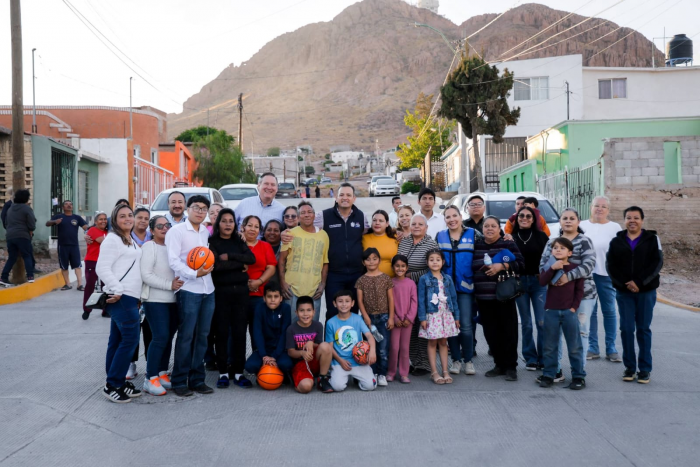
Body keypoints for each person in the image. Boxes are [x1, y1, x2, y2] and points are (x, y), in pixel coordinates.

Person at [283, 183, 369, 320]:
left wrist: (397, 232)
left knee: (353, 312)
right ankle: (330, 335)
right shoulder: (323, 216)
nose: (345, 198)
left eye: (348, 195)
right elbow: (305, 226)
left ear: (354, 198)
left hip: (356, 273)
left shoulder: (361, 217)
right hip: (334, 275)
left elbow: (370, 234)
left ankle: (352, 335)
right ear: (336, 197)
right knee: (333, 312)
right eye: (341, 195)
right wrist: (284, 232)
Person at [538, 208, 596, 383]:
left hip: (583, 294)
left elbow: (589, 265)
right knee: (554, 339)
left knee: (580, 334)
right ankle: (555, 370)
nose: (568, 221)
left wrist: (567, 277)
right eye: (565, 218)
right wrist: (553, 276)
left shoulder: (584, 241)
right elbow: (543, 267)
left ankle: (579, 372)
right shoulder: (552, 243)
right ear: (560, 221)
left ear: (578, 221)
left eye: (572, 218)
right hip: (557, 297)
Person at [166, 195, 216, 397]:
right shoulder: (176, 231)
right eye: (196, 207)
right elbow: (173, 261)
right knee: (186, 336)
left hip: (208, 290)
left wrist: (203, 273)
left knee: (202, 336)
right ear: (188, 209)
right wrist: (195, 273)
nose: (200, 211)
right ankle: (179, 381)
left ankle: (197, 380)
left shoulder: (204, 232)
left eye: (204, 208)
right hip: (189, 290)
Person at [607, 206, 662, 384]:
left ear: (642, 220)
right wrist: (626, 283)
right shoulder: (616, 241)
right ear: (624, 220)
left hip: (646, 292)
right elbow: (611, 266)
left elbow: (657, 264)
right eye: (629, 217)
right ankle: (630, 367)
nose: (632, 221)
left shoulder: (652, 239)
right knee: (626, 329)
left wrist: (639, 282)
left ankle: (644, 369)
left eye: (636, 218)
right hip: (624, 292)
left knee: (643, 329)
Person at [96, 204, 143, 403]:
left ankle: (117, 381)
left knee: (116, 341)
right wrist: (117, 289)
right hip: (120, 297)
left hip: (130, 297)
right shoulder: (113, 240)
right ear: (114, 220)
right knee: (130, 339)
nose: (127, 219)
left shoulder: (129, 239)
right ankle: (113, 384)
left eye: (130, 215)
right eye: (122, 216)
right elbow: (102, 268)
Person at [207, 208, 256, 389]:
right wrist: (239, 264)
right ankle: (223, 373)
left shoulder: (238, 240)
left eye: (231, 221)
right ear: (218, 223)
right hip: (221, 293)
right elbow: (216, 266)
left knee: (239, 333)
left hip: (241, 294)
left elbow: (251, 259)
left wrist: (230, 257)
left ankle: (238, 373)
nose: (228, 224)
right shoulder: (211, 242)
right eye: (224, 221)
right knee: (221, 333)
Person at [472, 216, 525, 381]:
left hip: (504, 297)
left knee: (508, 332)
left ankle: (511, 367)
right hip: (483, 297)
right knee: (491, 333)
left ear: (499, 228)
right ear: (482, 229)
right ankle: (499, 364)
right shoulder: (477, 245)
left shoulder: (508, 244)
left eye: (493, 226)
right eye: (486, 226)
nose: (489, 229)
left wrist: (502, 266)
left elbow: (521, 265)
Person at [140, 215, 184, 396]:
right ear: (151, 230)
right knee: (160, 337)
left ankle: (161, 372)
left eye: (167, 225)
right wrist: (169, 285)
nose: (164, 228)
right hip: (154, 300)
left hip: (174, 300)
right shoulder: (149, 247)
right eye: (159, 226)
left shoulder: (174, 247)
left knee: (168, 338)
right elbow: (146, 275)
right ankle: (150, 378)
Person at [538, 237, 586, 389]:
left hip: (569, 312)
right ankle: (549, 374)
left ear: (570, 253)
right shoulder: (549, 266)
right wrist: (553, 268)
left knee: (574, 345)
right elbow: (542, 282)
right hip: (551, 311)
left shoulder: (574, 268)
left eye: (562, 248)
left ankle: (578, 376)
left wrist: (573, 308)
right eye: (555, 248)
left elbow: (579, 290)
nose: (558, 250)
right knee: (550, 345)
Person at [436, 205, 478, 376]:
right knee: (451, 326)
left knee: (466, 326)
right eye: (448, 217)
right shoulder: (440, 236)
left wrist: (507, 237)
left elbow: (491, 244)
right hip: (446, 290)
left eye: (455, 216)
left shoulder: (474, 234)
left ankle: (468, 360)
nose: (452, 219)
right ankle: (455, 360)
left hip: (466, 288)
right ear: (444, 219)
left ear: (461, 217)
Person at [580, 196, 623, 362]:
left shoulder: (615, 228)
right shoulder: (582, 225)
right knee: (590, 311)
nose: (599, 209)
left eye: (603, 206)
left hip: (607, 276)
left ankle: (611, 348)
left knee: (609, 311)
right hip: (586, 275)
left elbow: (621, 252)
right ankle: (593, 348)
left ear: (608, 210)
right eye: (596, 205)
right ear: (591, 207)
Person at [397, 213, 438, 376]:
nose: (416, 227)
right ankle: (414, 361)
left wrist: (411, 275)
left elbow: (433, 268)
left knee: (422, 325)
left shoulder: (431, 244)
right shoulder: (404, 241)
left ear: (426, 227)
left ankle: (425, 364)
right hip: (404, 290)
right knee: (410, 326)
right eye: (414, 224)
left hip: (422, 290)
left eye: (420, 224)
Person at [512, 206, 550, 370]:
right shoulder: (512, 237)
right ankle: (530, 358)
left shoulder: (542, 236)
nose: (525, 218)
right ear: (517, 218)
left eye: (528, 216)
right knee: (526, 323)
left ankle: (544, 357)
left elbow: (550, 258)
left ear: (534, 219)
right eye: (521, 215)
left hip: (538, 283)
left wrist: (545, 274)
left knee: (542, 322)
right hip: (520, 283)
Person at [279, 201, 329, 320]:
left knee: (312, 326)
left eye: (309, 212)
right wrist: (283, 283)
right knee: (291, 325)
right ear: (298, 217)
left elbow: (325, 262)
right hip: (291, 289)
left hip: (314, 289)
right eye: (303, 213)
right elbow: (281, 260)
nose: (306, 215)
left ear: (314, 215)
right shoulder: (290, 234)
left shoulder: (323, 235)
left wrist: (323, 284)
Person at [418, 249, 460, 385]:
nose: (435, 262)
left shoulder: (447, 278)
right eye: (431, 260)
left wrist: (456, 316)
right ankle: (434, 372)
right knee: (432, 342)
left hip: (446, 314)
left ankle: (445, 371)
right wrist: (422, 318)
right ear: (427, 262)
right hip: (432, 315)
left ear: (443, 262)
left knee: (443, 342)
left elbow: (453, 298)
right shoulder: (424, 279)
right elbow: (421, 300)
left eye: (437, 260)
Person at [356, 247, 395, 386]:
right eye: (368, 259)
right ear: (363, 262)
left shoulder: (386, 278)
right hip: (369, 318)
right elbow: (360, 301)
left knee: (383, 348)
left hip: (384, 317)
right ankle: (372, 373)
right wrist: (365, 317)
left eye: (374, 258)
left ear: (379, 260)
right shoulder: (361, 280)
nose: (371, 262)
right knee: (369, 347)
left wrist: (391, 317)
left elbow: (391, 299)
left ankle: (382, 374)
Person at [325, 290, 377, 392]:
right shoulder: (331, 323)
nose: (344, 304)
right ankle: (332, 375)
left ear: (352, 303)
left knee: (370, 386)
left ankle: (358, 378)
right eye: (340, 301)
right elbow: (329, 347)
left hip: (358, 361)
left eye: (347, 301)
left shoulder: (358, 319)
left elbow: (369, 336)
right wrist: (340, 361)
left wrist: (372, 351)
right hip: (340, 362)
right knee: (337, 387)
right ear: (334, 304)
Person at [244, 282, 293, 378]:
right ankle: (262, 373)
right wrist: (264, 356)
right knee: (250, 366)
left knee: (286, 364)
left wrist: (275, 356)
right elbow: (257, 333)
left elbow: (284, 334)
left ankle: (283, 375)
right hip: (264, 349)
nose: (273, 300)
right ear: (264, 298)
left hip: (280, 350)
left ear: (281, 298)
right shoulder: (259, 308)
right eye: (269, 296)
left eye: (276, 296)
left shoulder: (286, 308)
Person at [286, 295, 334, 393]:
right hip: (300, 363)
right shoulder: (291, 329)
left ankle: (322, 378)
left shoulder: (318, 326)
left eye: (308, 310)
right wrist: (301, 353)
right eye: (301, 310)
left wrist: (311, 343)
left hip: (314, 361)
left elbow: (320, 345)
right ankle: (298, 379)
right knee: (306, 387)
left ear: (314, 312)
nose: (305, 314)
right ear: (296, 312)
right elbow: (290, 352)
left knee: (326, 346)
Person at [127, 206, 153, 381]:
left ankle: (152, 363)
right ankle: (131, 363)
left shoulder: (153, 237)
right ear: (134, 219)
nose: (143, 221)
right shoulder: (126, 238)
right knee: (132, 329)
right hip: (132, 288)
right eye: (140, 218)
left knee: (150, 329)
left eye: (146, 218)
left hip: (150, 289)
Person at [387, 255, 417, 383]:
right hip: (395, 321)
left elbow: (414, 302)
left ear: (407, 267)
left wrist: (409, 318)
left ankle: (404, 373)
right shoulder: (390, 283)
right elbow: (388, 302)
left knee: (405, 348)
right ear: (392, 267)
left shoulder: (411, 283)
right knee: (394, 347)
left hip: (407, 322)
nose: (400, 269)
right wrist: (394, 318)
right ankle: (391, 372)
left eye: (403, 266)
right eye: (397, 266)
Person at [242, 215, 278, 321]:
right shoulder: (237, 244)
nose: (253, 229)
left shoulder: (265, 246)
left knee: (257, 328)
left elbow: (271, 268)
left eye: (256, 227)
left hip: (259, 294)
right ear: (243, 227)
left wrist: (258, 282)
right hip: (239, 293)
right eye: (250, 225)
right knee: (237, 328)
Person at [46, 200, 87, 291]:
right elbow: (47, 223)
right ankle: (67, 284)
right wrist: (55, 221)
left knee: (77, 265)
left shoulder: (77, 217)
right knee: (64, 266)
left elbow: (85, 227)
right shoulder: (59, 217)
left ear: (72, 207)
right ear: (63, 207)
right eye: (66, 204)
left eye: (70, 204)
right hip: (62, 246)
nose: (69, 205)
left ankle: (80, 284)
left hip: (74, 245)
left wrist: (92, 229)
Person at [1, 189, 36, 287]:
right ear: (26, 198)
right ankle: (30, 276)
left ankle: (3, 277)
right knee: (27, 255)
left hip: (10, 236)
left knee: (12, 257)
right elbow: (32, 224)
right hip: (23, 235)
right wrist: (30, 230)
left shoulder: (10, 209)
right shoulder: (26, 208)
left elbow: (6, 222)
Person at [81, 211, 108, 319]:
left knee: (106, 286)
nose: (103, 221)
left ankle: (106, 310)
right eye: (100, 219)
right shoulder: (93, 230)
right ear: (96, 222)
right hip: (92, 261)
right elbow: (102, 241)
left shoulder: (107, 231)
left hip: (105, 262)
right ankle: (87, 310)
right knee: (90, 285)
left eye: (105, 219)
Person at [362, 210, 398, 277]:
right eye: (374, 220)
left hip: (393, 279)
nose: (377, 223)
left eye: (381, 221)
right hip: (370, 279)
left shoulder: (396, 237)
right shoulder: (364, 238)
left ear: (387, 223)